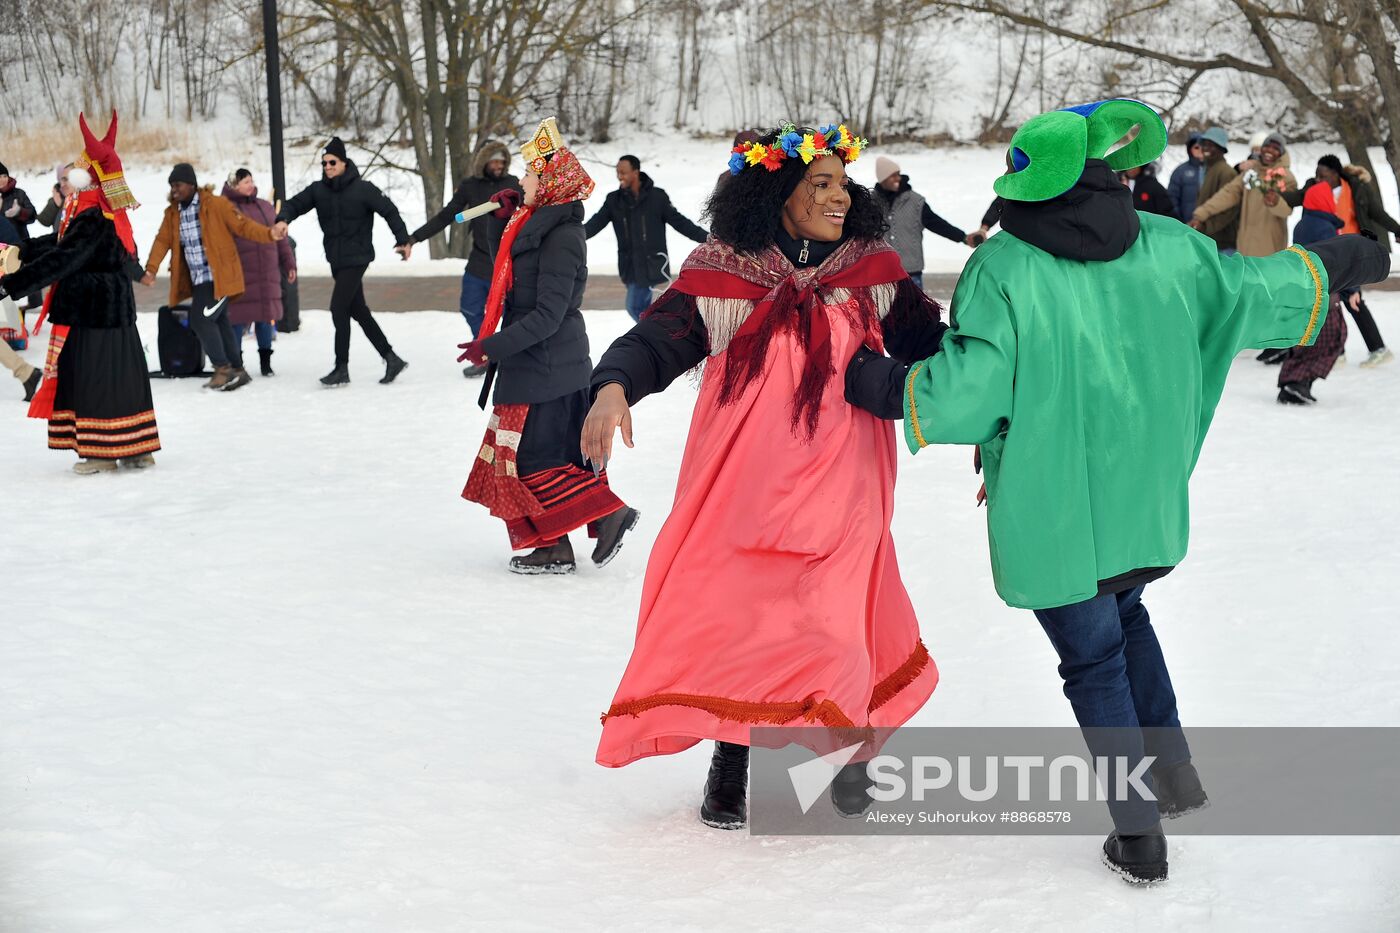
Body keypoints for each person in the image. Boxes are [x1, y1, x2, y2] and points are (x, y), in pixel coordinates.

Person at [843, 99, 1389, 883]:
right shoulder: (1170, 247)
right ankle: (1172, 775)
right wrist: (1345, 260)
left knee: (1093, 657)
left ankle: (1137, 832)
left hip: (1055, 507)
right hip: (1140, 500)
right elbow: (1255, 288)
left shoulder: (1004, 265)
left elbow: (969, 392)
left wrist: (884, 381)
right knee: (1126, 615)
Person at [585, 122, 943, 829]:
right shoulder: (726, 270)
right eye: (824, 182)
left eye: (845, 182)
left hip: (844, 484)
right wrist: (614, 383)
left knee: (837, 617)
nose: (843, 194)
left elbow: (936, 344)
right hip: (742, 486)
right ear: (780, 190)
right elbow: (659, 337)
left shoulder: (873, 272)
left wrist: (992, 388)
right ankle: (732, 756)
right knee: (738, 618)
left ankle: (851, 752)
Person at [457, 118, 639, 575]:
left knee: (531, 460)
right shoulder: (536, 222)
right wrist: (514, 211)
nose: (521, 181)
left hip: (550, 365)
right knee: (534, 457)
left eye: (530, 175)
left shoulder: (563, 237)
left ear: (552, 183)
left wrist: (491, 347)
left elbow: (548, 315)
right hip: (536, 364)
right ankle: (554, 545)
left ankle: (606, 512)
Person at [0, 112, 163, 474]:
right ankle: (137, 448)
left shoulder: (92, 217)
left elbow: (65, 257)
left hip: (93, 312)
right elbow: (59, 243)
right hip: (109, 310)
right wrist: (24, 252)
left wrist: (10, 286)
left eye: (78, 167)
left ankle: (104, 452)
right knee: (122, 378)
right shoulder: (95, 211)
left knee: (98, 379)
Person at [271, 137, 411, 387]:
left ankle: (341, 367)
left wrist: (403, 240)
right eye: (324, 163)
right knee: (358, 310)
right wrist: (283, 218)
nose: (327, 166)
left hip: (357, 258)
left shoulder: (363, 189)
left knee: (339, 308)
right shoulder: (319, 190)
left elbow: (389, 210)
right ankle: (391, 358)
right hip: (336, 259)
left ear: (344, 162)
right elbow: (296, 204)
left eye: (332, 162)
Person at [141, 163, 284, 391]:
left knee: (201, 320)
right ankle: (237, 368)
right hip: (199, 280)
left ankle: (223, 369)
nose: (174, 190)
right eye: (171, 186)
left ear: (191, 185)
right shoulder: (173, 213)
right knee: (219, 320)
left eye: (178, 185)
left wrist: (269, 234)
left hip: (221, 278)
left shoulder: (215, 205)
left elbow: (243, 226)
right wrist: (150, 269)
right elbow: (162, 241)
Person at [400, 140, 521, 377]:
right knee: (470, 306)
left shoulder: (513, 184)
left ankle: (508, 358)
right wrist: (413, 239)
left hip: (507, 262)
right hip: (479, 260)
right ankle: (486, 352)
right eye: (493, 160)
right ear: (483, 162)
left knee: (512, 313)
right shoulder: (470, 186)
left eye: (502, 160)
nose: (499, 164)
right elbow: (446, 216)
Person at [584, 154, 708, 321]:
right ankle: (657, 339)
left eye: (623, 172)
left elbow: (680, 222)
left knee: (634, 307)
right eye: (617, 172)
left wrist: (707, 238)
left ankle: (654, 338)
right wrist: (573, 236)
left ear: (635, 172)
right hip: (629, 268)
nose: (619, 176)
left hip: (654, 266)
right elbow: (595, 223)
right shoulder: (614, 200)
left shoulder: (657, 197)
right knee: (646, 310)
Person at [1316, 155, 1400, 368]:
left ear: (1335, 174)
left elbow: (1377, 214)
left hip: (1355, 252)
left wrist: (1398, 230)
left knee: (1353, 299)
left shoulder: (1357, 189)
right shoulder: (1316, 189)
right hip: (1331, 252)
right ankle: (1340, 351)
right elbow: (1296, 197)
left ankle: (1378, 348)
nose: (1318, 179)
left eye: (1322, 175)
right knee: (1334, 300)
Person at [1275, 182, 1350, 404]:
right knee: (1332, 336)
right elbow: (1336, 261)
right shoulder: (1325, 228)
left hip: (1307, 288)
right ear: (1324, 201)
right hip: (1325, 289)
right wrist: (1351, 288)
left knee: (1309, 337)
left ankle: (1297, 381)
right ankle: (1297, 382)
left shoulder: (1302, 224)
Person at [223, 169, 296, 377]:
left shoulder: (265, 207)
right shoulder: (227, 209)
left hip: (266, 272)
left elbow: (280, 238)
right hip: (241, 273)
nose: (250, 185)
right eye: (245, 182)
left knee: (265, 317)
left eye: (251, 181)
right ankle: (236, 363)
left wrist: (289, 263)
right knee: (237, 319)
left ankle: (266, 363)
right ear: (234, 186)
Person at [872, 154, 970, 288]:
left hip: (911, 272)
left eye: (898, 174)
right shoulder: (871, 203)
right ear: (883, 178)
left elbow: (937, 224)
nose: (898, 178)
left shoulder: (915, 202)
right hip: (882, 273)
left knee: (915, 309)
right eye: (893, 175)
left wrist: (963, 237)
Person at [1191, 131, 1294, 257]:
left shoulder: (1286, 177)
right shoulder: (1250, 172)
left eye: (1276, 148)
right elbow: (1228, 193)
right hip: (1245, 242)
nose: (1270, 150)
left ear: (1281, 153)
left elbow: (1287, 210)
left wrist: (1276, 202)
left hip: (1269, 245)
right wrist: (1201, 213)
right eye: (1267, 146)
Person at [1191, 127, 1238, 253]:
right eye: (1205, 144)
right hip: (1208, 239)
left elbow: (1229, 211)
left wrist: (1205, 226)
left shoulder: (1226, 172)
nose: (1206, 148)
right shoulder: (1207, 169)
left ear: (1222, 149)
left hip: (1223, 243)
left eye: (1212, 145)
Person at [1166, 134, 1204, 221]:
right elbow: (1172, 198)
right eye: (1196, 147)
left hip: (1209, 225)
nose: (1200, 150)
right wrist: (1179, 219)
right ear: (1190, 149)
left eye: (1203, 147)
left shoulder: (1213, 170)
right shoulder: (1180, 171)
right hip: (1187, 222)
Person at [0, 163, 36, 242]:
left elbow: (32, 216)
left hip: (19, 242)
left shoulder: (19, 194)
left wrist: (19, 212)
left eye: (5, 176)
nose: (2, 179)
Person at [36, 164, 74, 230]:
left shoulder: (83, 200)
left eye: (66, 180)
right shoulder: (57, 196)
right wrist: (55, 205)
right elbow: (44, 221)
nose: (63, 185)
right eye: (62, 180)